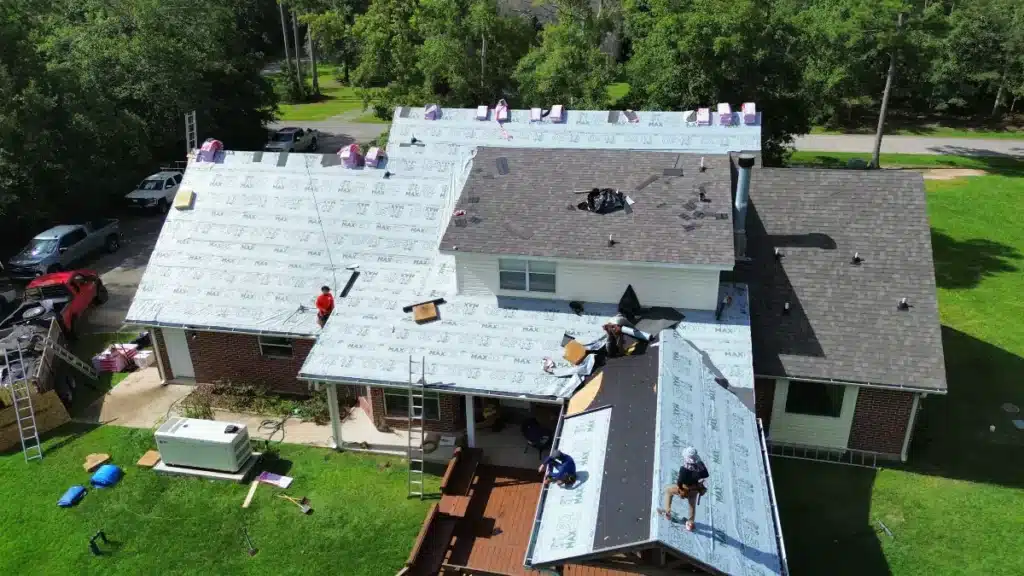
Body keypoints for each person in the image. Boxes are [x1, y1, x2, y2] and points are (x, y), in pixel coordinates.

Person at [658, 446, 709, 532]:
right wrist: (700, 464)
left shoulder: (684, 469)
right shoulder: (699, 466)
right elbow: (706, 474)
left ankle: (667, 512)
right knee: (692, 506)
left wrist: (681, 490)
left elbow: (680, 482)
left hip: (685, 488)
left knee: (668, 491)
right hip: (695, 489)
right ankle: (690, 523)